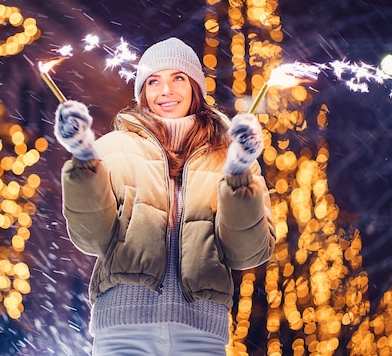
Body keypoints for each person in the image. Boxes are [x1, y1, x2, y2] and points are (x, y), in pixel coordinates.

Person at [53, 37, 276, 355]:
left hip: (201, 335)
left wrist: (238, 174)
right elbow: (90, 238)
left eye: (178, 78)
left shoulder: (232, 154)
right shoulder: (111, 149)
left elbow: (248, 252)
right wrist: (83, 158)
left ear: (196, 88)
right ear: (142, 92)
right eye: (154, 81)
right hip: (122, 332)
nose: (166, 91)